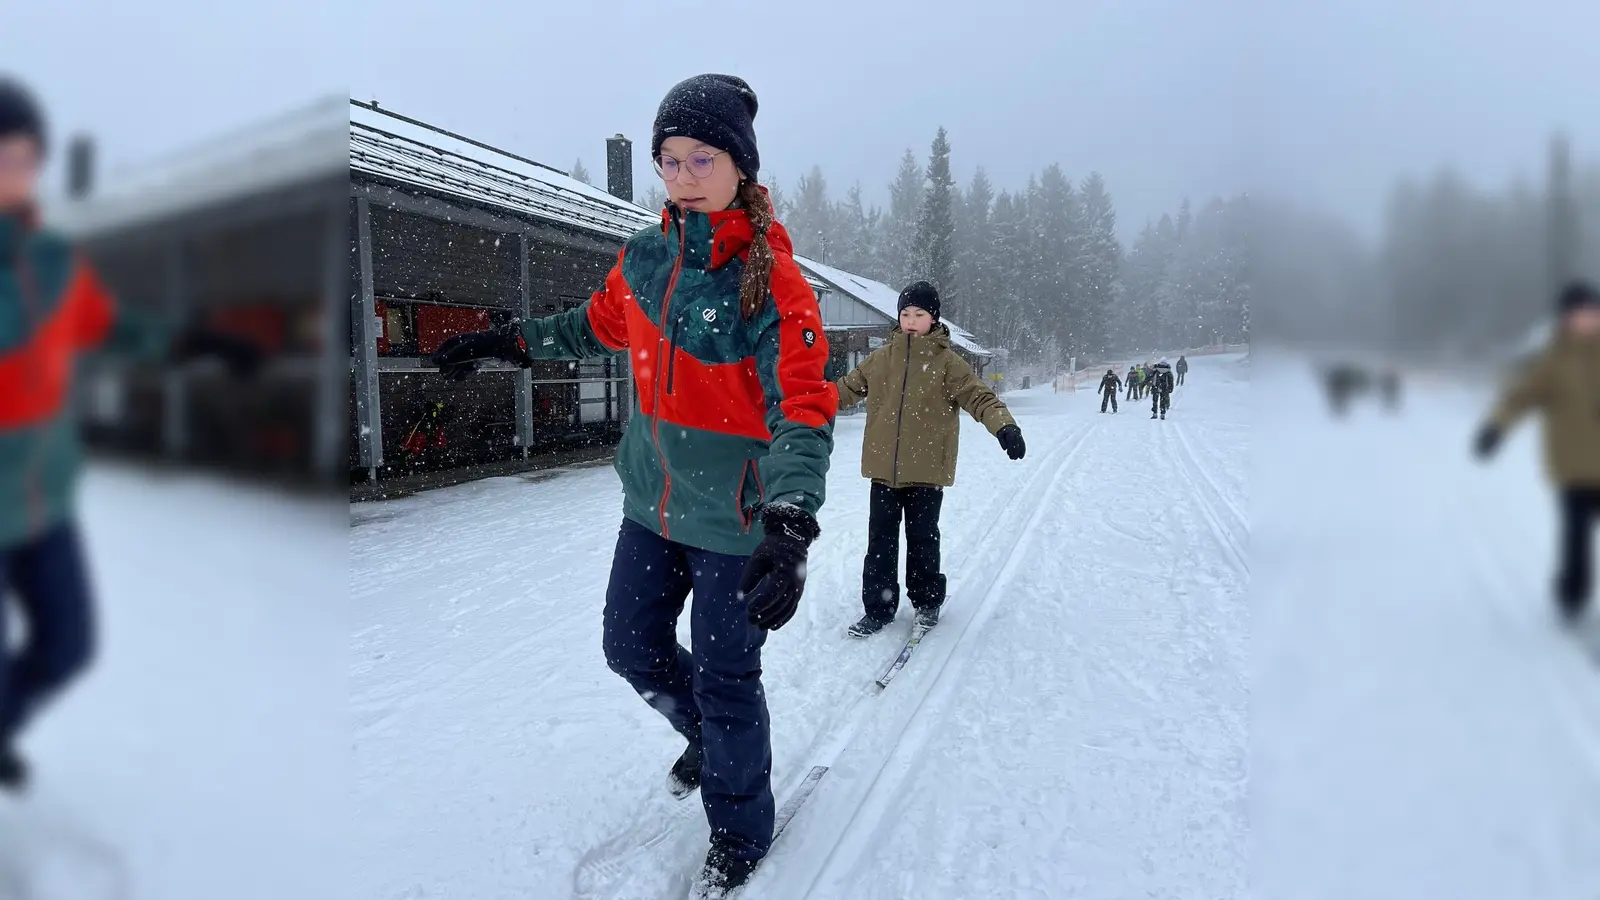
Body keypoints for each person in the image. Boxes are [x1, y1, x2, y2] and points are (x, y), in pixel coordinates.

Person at [428, 74, 835, 896]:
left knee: (728, 680)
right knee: (629, 646)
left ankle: (741, 828)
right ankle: (709, 738)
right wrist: (508, 341)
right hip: (648, 507)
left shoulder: (773, 284)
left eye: (701, 158)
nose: (682, 175)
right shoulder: (645, 259)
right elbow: (591, 324)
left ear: (741, 168)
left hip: (732, 520)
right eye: (669, 160)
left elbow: (803, 403)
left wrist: (789, 519)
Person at [0, 76, 261, 792]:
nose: (15, 172)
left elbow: (107, 325)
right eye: (2, 156)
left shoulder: (51, 260)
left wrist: (194, 341)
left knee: (68, 644)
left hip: (41, 499)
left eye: (25, 156)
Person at [834, 281, 1024, 639]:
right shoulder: (882, 359)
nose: (909, 321)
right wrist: (805, 407)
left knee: (922, 539)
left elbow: (980, 398)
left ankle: (926, 602)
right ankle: (878, 607)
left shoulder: (948, 364)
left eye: (918, 314)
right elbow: (845, 390)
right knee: (880, 543)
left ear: (933, 318)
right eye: (905, 314)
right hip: (883, 471)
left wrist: (1005, 428)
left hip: (925, 471)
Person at [1474, 280, 1600, 626]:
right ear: (1564, 318)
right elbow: (1520, 398)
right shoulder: (1552, 360)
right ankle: (1571, 595)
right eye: (1579, 315)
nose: (1588, 321)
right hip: (1572, 469)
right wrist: (1495, 428)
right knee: (1577, 541)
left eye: (1593, 313)